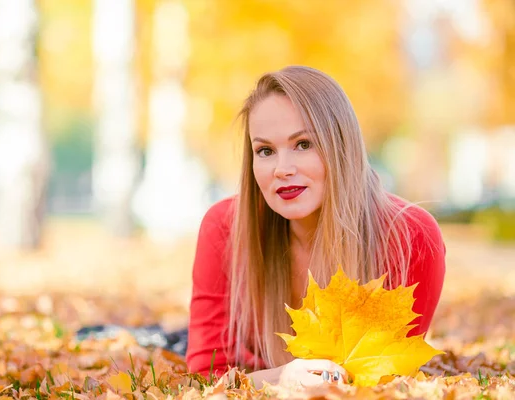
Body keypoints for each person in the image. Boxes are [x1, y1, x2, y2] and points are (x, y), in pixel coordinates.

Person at [185, 66, 446, 389]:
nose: (282, 169)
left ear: (341, 146)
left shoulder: (411, 237)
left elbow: (390, 374)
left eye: (303, 144)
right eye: (265, 151)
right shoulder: (225, 228)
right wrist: (280, 379)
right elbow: (204, 376)